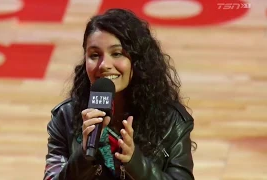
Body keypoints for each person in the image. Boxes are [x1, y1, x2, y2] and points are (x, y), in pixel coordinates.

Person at [43, 8, 196, 180]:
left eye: (116, 53)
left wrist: (135, 162)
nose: (104, 65)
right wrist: (84, 155)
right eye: (94, 55)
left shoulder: (171, 121)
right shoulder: (66, 117)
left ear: (137, 61)